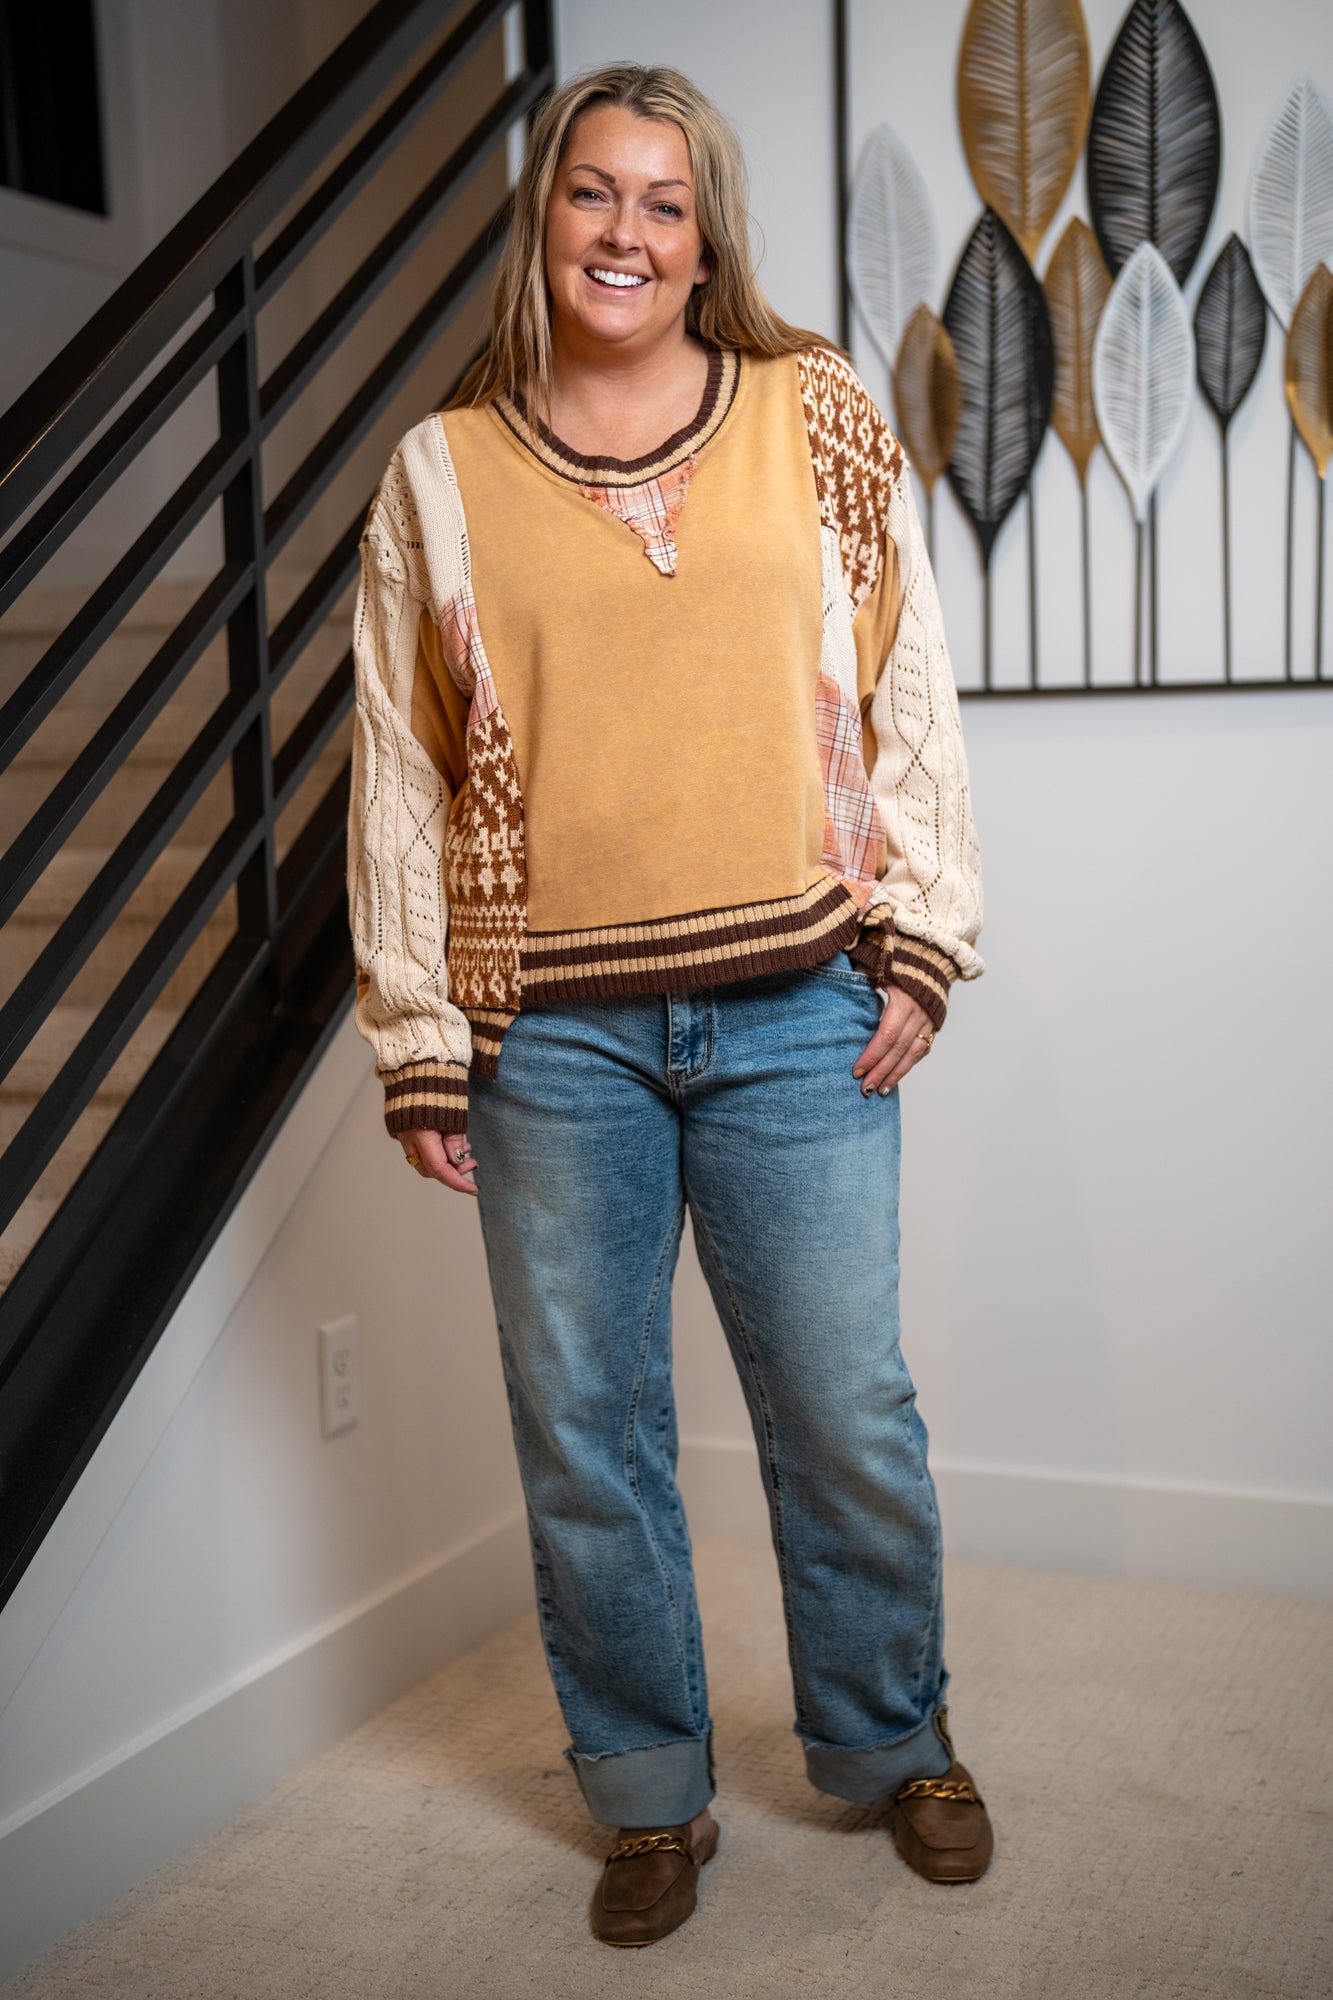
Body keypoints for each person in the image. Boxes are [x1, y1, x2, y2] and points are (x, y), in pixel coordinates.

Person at [347, 62, 988, 1948]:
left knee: (845, 1404)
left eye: (663, 202)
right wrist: (417, 1033)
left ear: (706, 241)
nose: (622, 232)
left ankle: (889, 1740)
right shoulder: (437, 475)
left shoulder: (814, 411)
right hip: (552, 1039)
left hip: (797, 1006)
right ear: (543, 218)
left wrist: (923, 932)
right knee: (587, 1431)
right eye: (591, 193)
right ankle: (646, 1792)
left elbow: (906, 681)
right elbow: (398, 764)